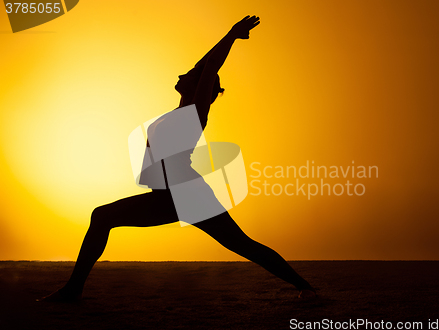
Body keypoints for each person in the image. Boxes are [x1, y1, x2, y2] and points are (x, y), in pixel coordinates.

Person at [37, 16, 316, 302]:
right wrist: (224, 42)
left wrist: (231, 35)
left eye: (191, 75)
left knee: (242, 245)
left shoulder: (196, 110)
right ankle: (73, 290)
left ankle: (305, 287)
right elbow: (203, 66)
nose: (184, 73)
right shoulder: (182, 108)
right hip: (168, 195)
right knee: (103, 217)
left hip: (186, 193)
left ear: (201, 88)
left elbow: (209, 67)